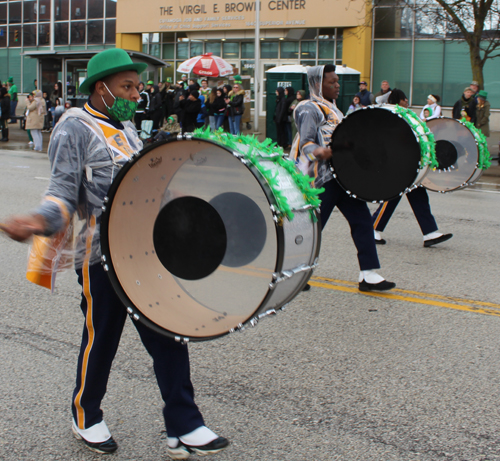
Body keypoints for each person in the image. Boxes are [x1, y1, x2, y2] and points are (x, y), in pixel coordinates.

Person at [0, 48, 229, 460]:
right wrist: (37, 221)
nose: (135, 94)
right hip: (98, 255)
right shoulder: (75, 126)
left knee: (167, 331)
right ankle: (85, 414)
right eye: (127, 86)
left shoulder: (125, 128)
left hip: (143, 250)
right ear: (99, 87)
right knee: (102, 334)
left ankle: (184, 424)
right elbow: (62, 192)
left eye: (138, 86)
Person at [291, 64, 395, 292]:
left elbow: (340, 139)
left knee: (362, 221)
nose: (337, 85)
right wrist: (319, 151)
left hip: (343, 176)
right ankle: (295, 274)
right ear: (318, 84)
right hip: (320, 180)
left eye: (338, 81)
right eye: (332, 82)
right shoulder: (309, 108)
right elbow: (306, 142)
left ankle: (368, 274)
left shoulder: (335, 110)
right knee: (312, 227)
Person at [372, 89, 453, 248]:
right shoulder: (393, 114)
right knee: (392, 197)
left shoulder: (403, 114)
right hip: (397, 164)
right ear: (399, 100)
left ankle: (429, 232)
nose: (407, 101)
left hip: (410, 163)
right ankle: (372, 227)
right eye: (405, 99)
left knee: (419, 195)